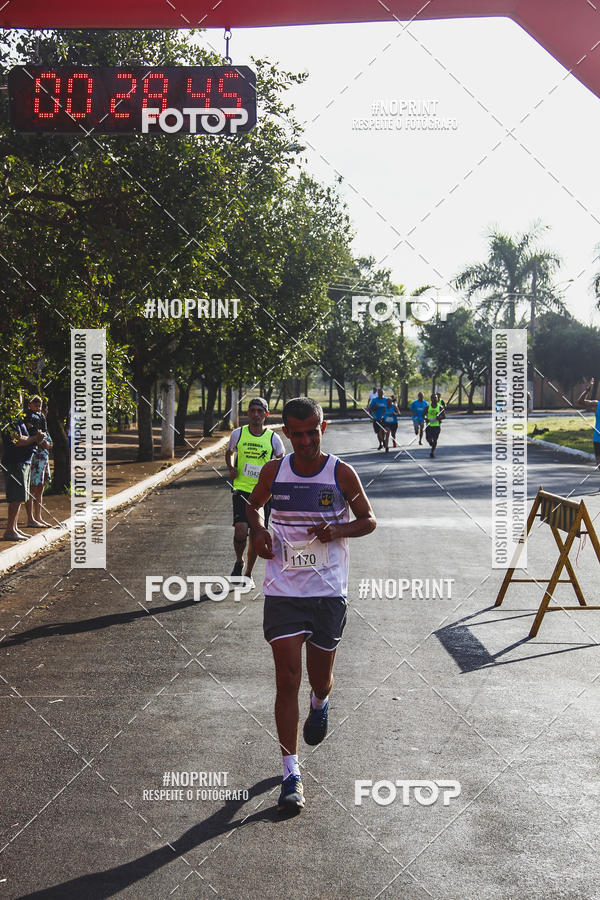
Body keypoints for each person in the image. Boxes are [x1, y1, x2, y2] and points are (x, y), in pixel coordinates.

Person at [246, 397, 376, 812]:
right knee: (287, 681)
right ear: (285, 432)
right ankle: (291, 774)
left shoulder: (341, 472)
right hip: (284, 590)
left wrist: (336, 528)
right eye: (296, 433)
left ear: (324, 428)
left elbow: (368, 519)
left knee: (319, 677)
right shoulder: (274, 471)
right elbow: (253, 506)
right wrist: (260, 532)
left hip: (327, 592)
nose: (304, 441)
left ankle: (321, 701)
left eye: (312, 431)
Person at [225, 398, 285, 586]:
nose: (256, 414)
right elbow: (229, 452)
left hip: (263, 493)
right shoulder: (238, 434)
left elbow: (281, 458)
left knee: (256, 534)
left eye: (260, 411)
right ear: (248, 413)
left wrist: (274, 478)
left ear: (266, 414)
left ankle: (248, 573)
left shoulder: (272, 438)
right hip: (242, 488)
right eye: (253, 410)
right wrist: (231, 467)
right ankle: (239, 561)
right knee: (241, 529)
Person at [2, 406, 45, 541]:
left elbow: (24, 438)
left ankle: (14, 528)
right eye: (16, 402)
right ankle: (9, 530)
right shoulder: (9, 422)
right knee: (15, 496)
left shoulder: (19, 420)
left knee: (21, 496)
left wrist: (32, 437)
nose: (19, 405)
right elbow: (18, 441)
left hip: (24, 461)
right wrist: (35, 438)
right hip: (15, 462)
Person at [26, 398, 53, 527]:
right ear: (30, 405)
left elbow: (46, 436)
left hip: (44, 455)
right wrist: (44, 443)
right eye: (35, 405)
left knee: (41, 486)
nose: (38, 408)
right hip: (36, 455)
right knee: (33, 486)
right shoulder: (29, 417)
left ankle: (38, 516)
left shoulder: (41, 417)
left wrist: (48, 443)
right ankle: (31, 518)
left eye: (39, 405)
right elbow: (35, 434)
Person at [578, 379, 600, 467]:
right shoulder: (597, 404)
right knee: (598, 463)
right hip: (598, 439)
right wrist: (588, 389)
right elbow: (580, 401)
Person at [425, 392, 446, 458]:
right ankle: (431, 443)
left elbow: (444, 416)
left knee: (435, 439)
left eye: (436, 398)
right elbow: (423, 415)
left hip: (436, 426)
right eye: (433, 398)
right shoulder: (428, 407)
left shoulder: (440, 407)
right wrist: (426, 419)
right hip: (429, 425)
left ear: (437, 399)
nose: (434, 399)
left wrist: (439, 418)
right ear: (431, 399)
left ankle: (432, 452)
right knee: (428, 439)